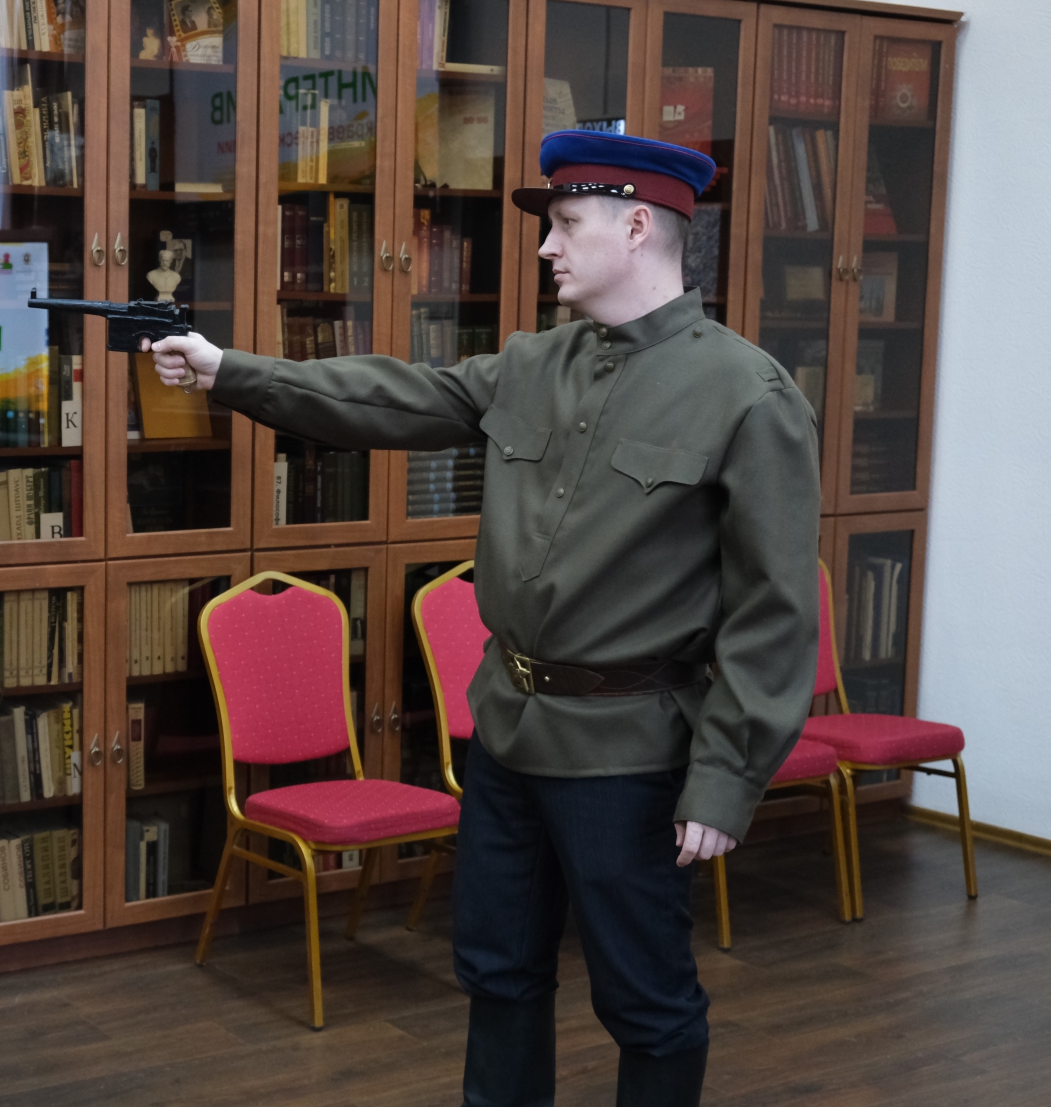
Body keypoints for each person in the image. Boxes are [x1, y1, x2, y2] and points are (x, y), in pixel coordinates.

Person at [149, 131, 821, 1106]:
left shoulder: (747, 395)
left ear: (638, 227)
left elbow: (775, 610)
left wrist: (727, 779)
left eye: (567, 224)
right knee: (498, 975)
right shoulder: (531, 365)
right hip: (506, 735)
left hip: (630, 757)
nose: (547, 246)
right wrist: (230, 372)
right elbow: (391, 396)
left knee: (647, 1002)